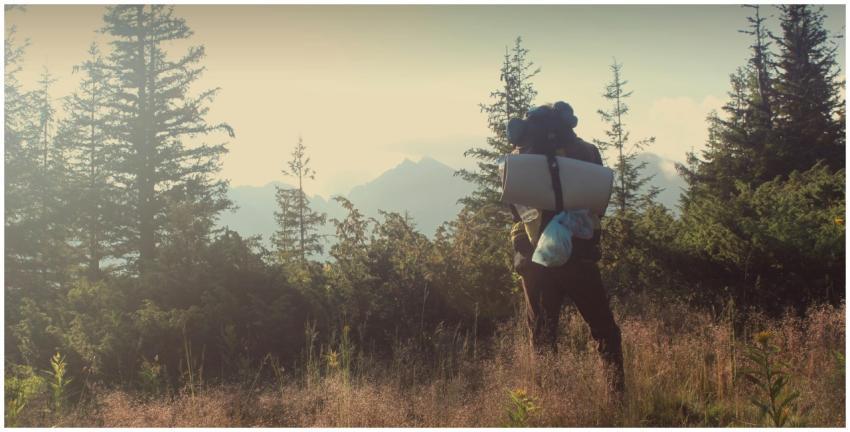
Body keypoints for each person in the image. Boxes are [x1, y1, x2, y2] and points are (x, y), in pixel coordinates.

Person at [507, 101, 625, 395]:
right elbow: (599, 205)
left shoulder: (519, 159)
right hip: (578, 256)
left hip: (534, 260)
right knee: (604, 330)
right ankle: (617, 398)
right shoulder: (587, 153)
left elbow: (514, 209)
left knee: (542, 336)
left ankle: (547, 402)